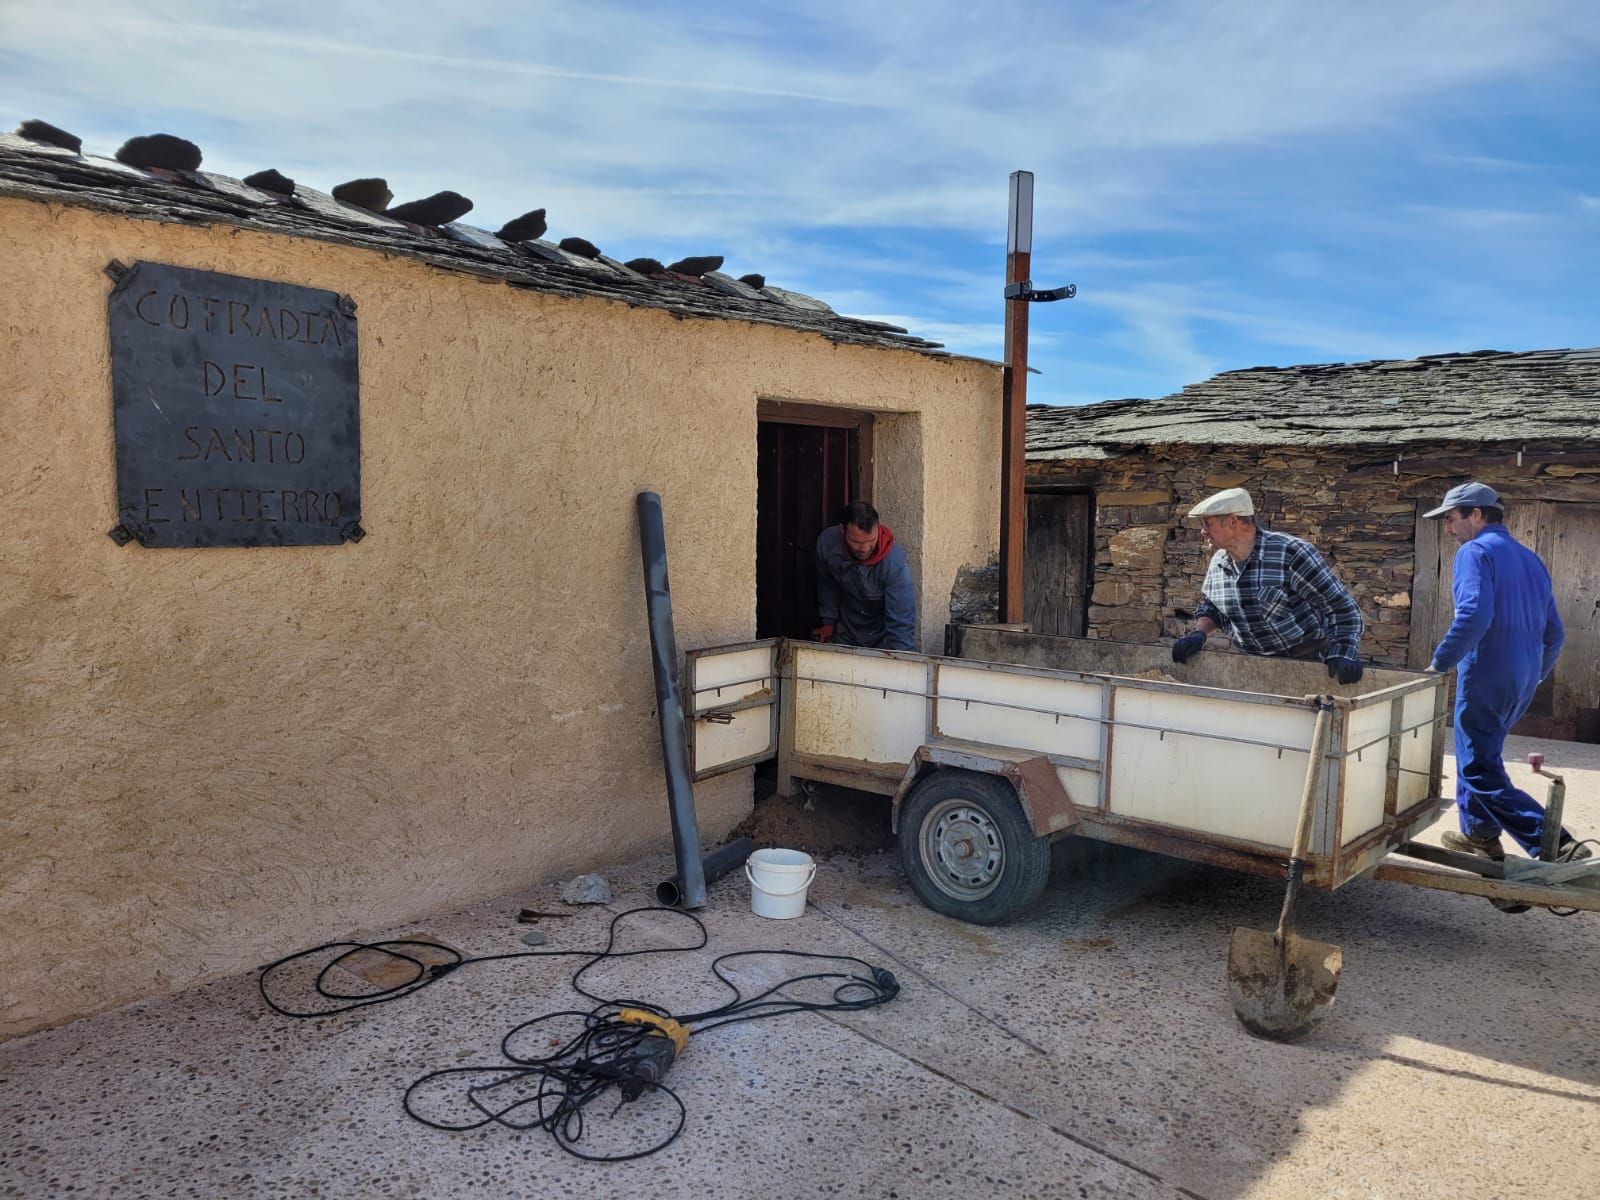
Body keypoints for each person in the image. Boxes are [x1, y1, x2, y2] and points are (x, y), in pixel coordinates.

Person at [1424, 482, 1590, 862]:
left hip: (1487, 675)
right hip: (1522, 679)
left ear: (1476, 515)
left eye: (1451, 519)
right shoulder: (1530, 559)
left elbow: (1473, 615)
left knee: (1478, 766)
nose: (1448, 529)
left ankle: (1555, 842)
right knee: (1479, 751)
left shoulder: (1475, 552)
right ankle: (1479, 835)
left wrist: (1440, 661)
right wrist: (1536, 673)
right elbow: (1555, 633)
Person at [1171, 487, 1365, 683]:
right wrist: (1199, 635)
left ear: (1232, 521)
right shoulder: (1218, 562)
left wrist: (1344, 652)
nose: (1203, 531)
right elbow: (1213, 608)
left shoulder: (1291, 553)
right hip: (1254, 667)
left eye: (1207, 523)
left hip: (1310, 665)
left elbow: (1342, 608)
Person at [813, 500, 916, 651]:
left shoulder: (894, 563)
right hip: (845, 631)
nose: (864, 548)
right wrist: (828, 622)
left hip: (884, 638)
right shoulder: (827, 543)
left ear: (878, 529)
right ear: (842, 529)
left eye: (871, 541)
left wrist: (901, 661)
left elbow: (901, 621)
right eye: (856, 541)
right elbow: (827, 584)